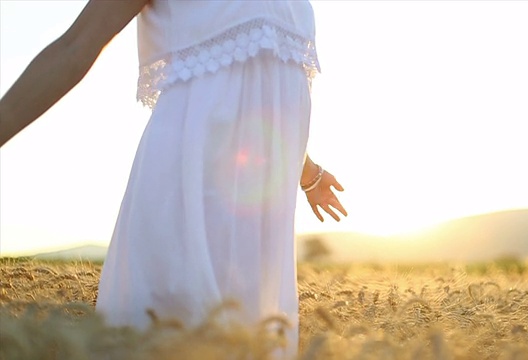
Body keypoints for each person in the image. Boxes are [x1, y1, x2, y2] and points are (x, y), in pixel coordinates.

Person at [0, 0, 347, 357]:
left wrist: (306, 171)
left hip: (257, 226)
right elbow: (76, 47)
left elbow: (262, 97)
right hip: (186, 194)